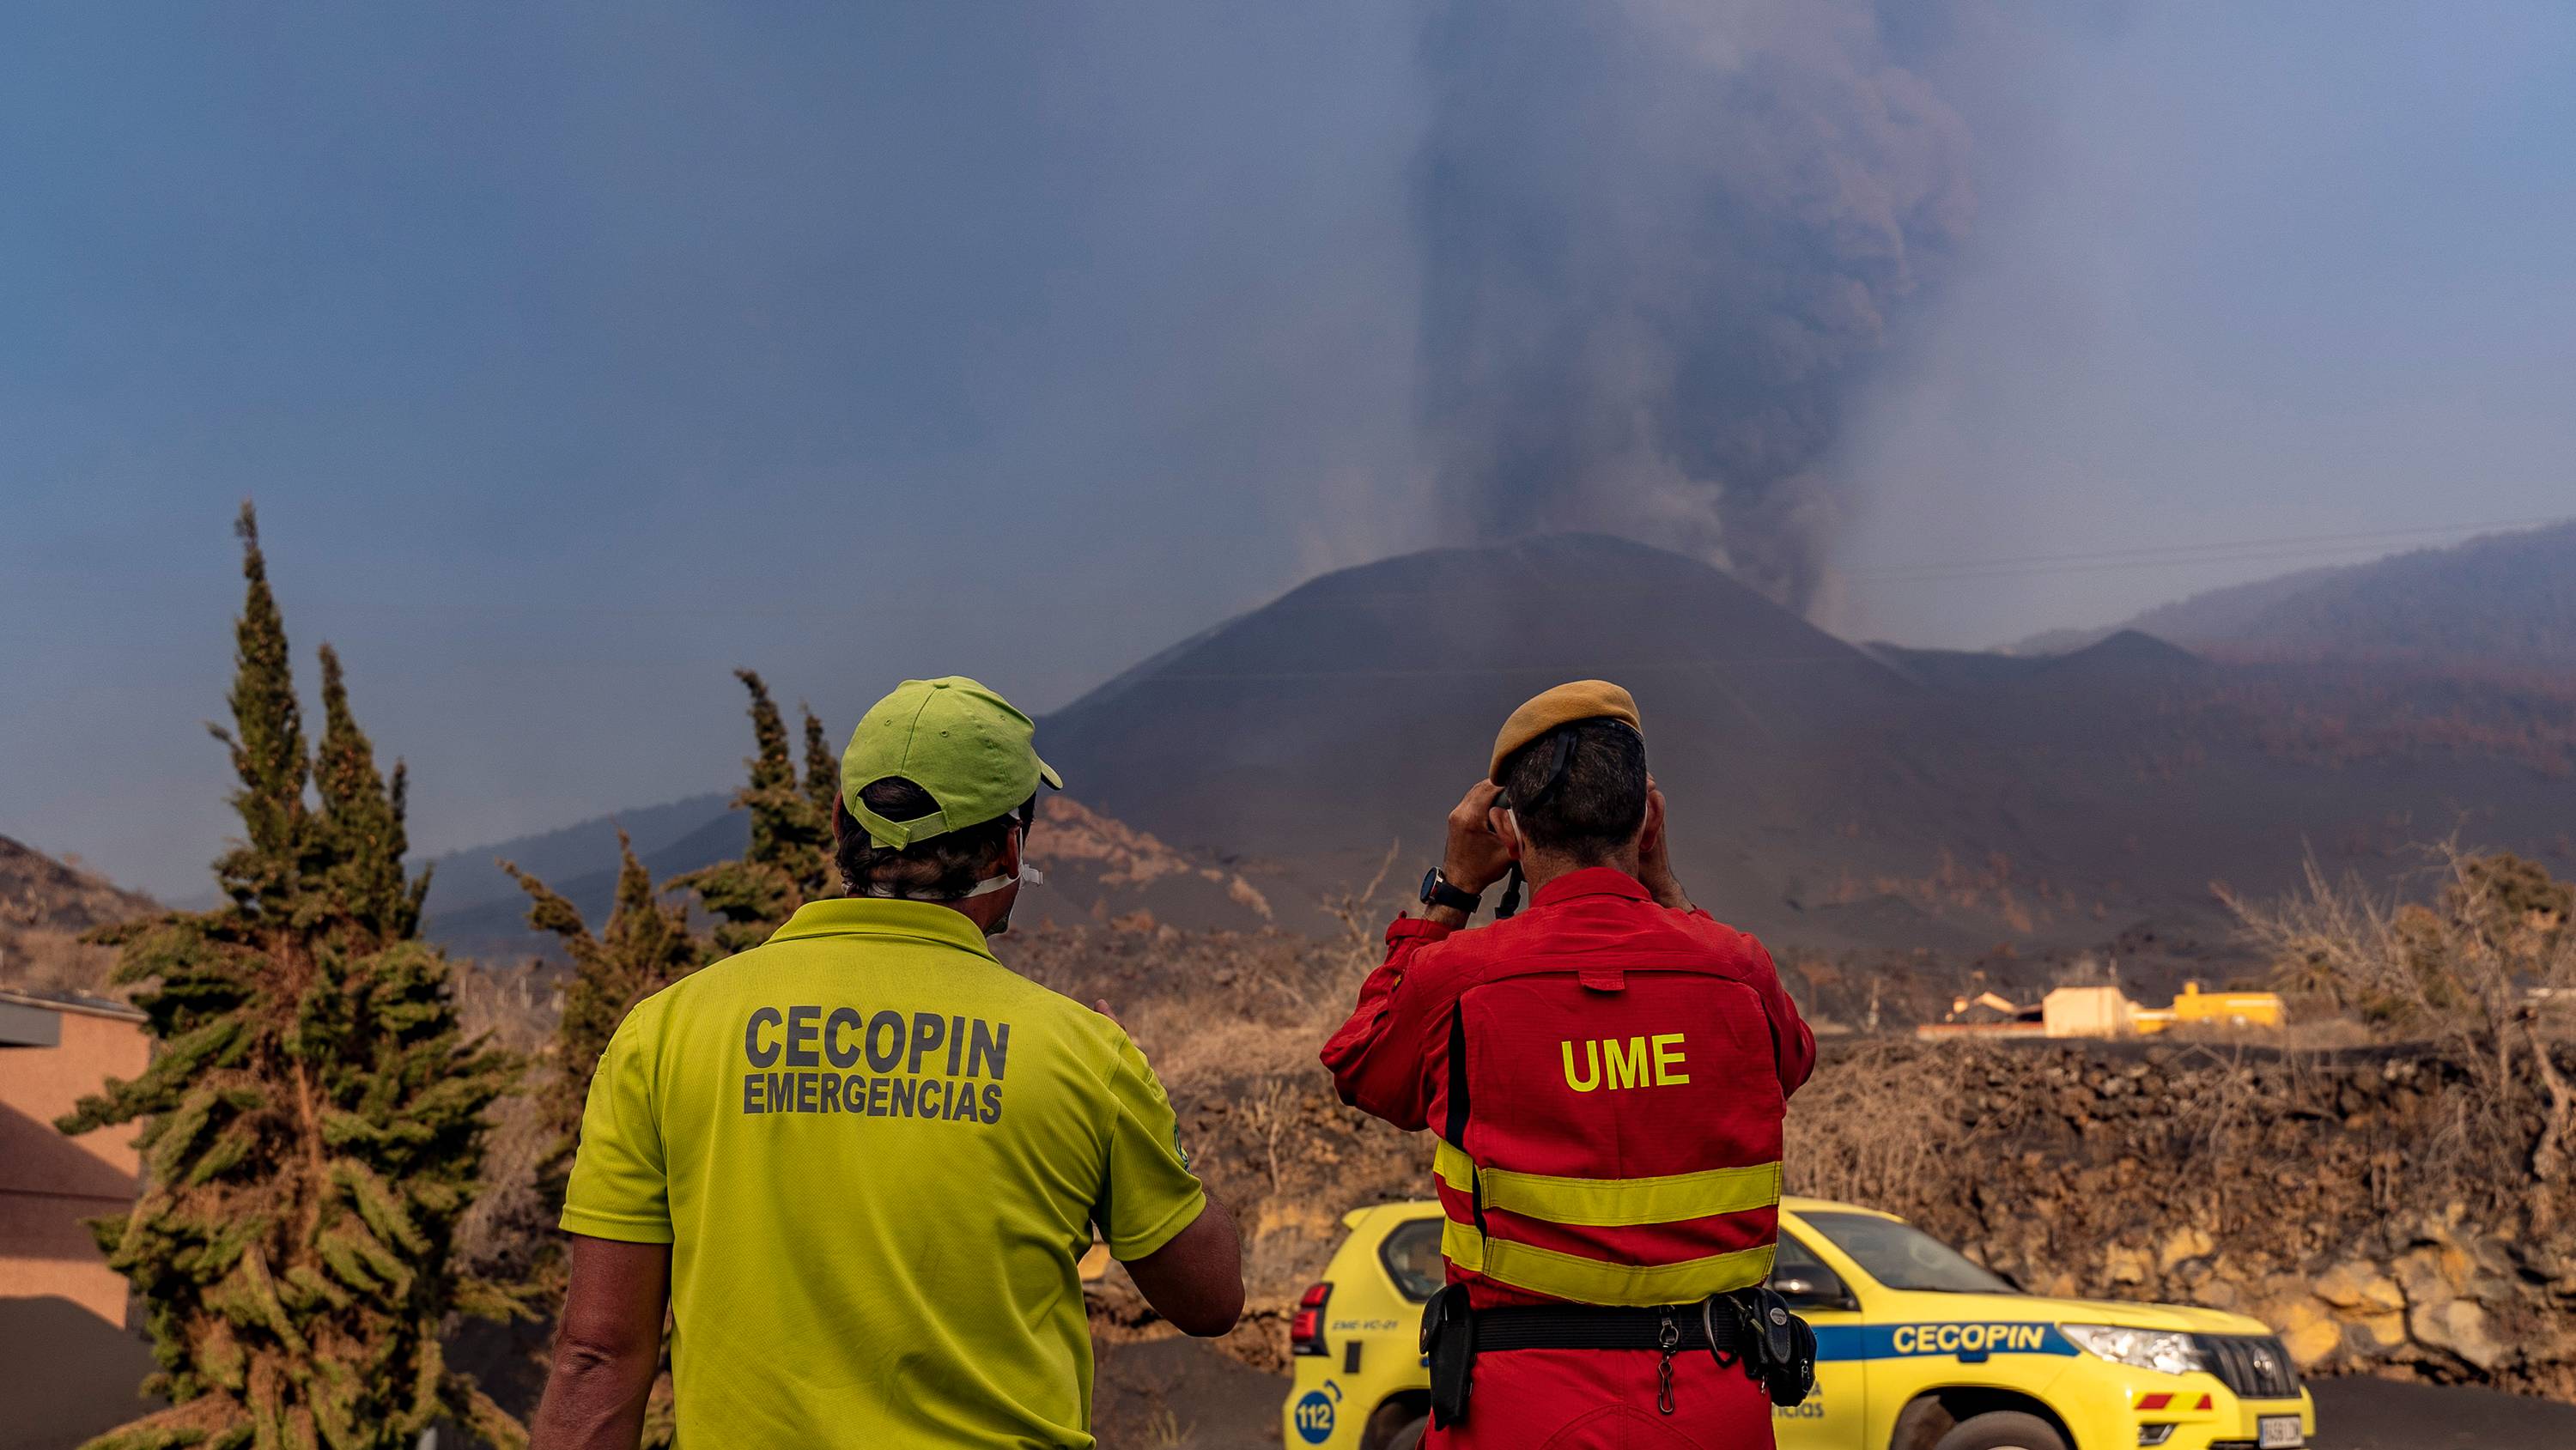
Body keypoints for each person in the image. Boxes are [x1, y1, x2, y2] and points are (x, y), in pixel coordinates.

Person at [530, 676, 1242, 1450]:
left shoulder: (663, 1035)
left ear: (840, 822)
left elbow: (597, 1354)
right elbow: (1210, 1299)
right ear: (1010, 848)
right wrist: (1145, 1101)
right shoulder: (1082, 1055)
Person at [1321, 680, 1817, 1448]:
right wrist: (1669, 890)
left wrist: (1450, 893)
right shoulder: (1738, 973)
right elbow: (1794, 1059)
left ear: (1508, 832)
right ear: (1648, 818)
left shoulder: (1460, 977)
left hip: (1515, 1409)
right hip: (1713, 1400)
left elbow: (1364, 1068)